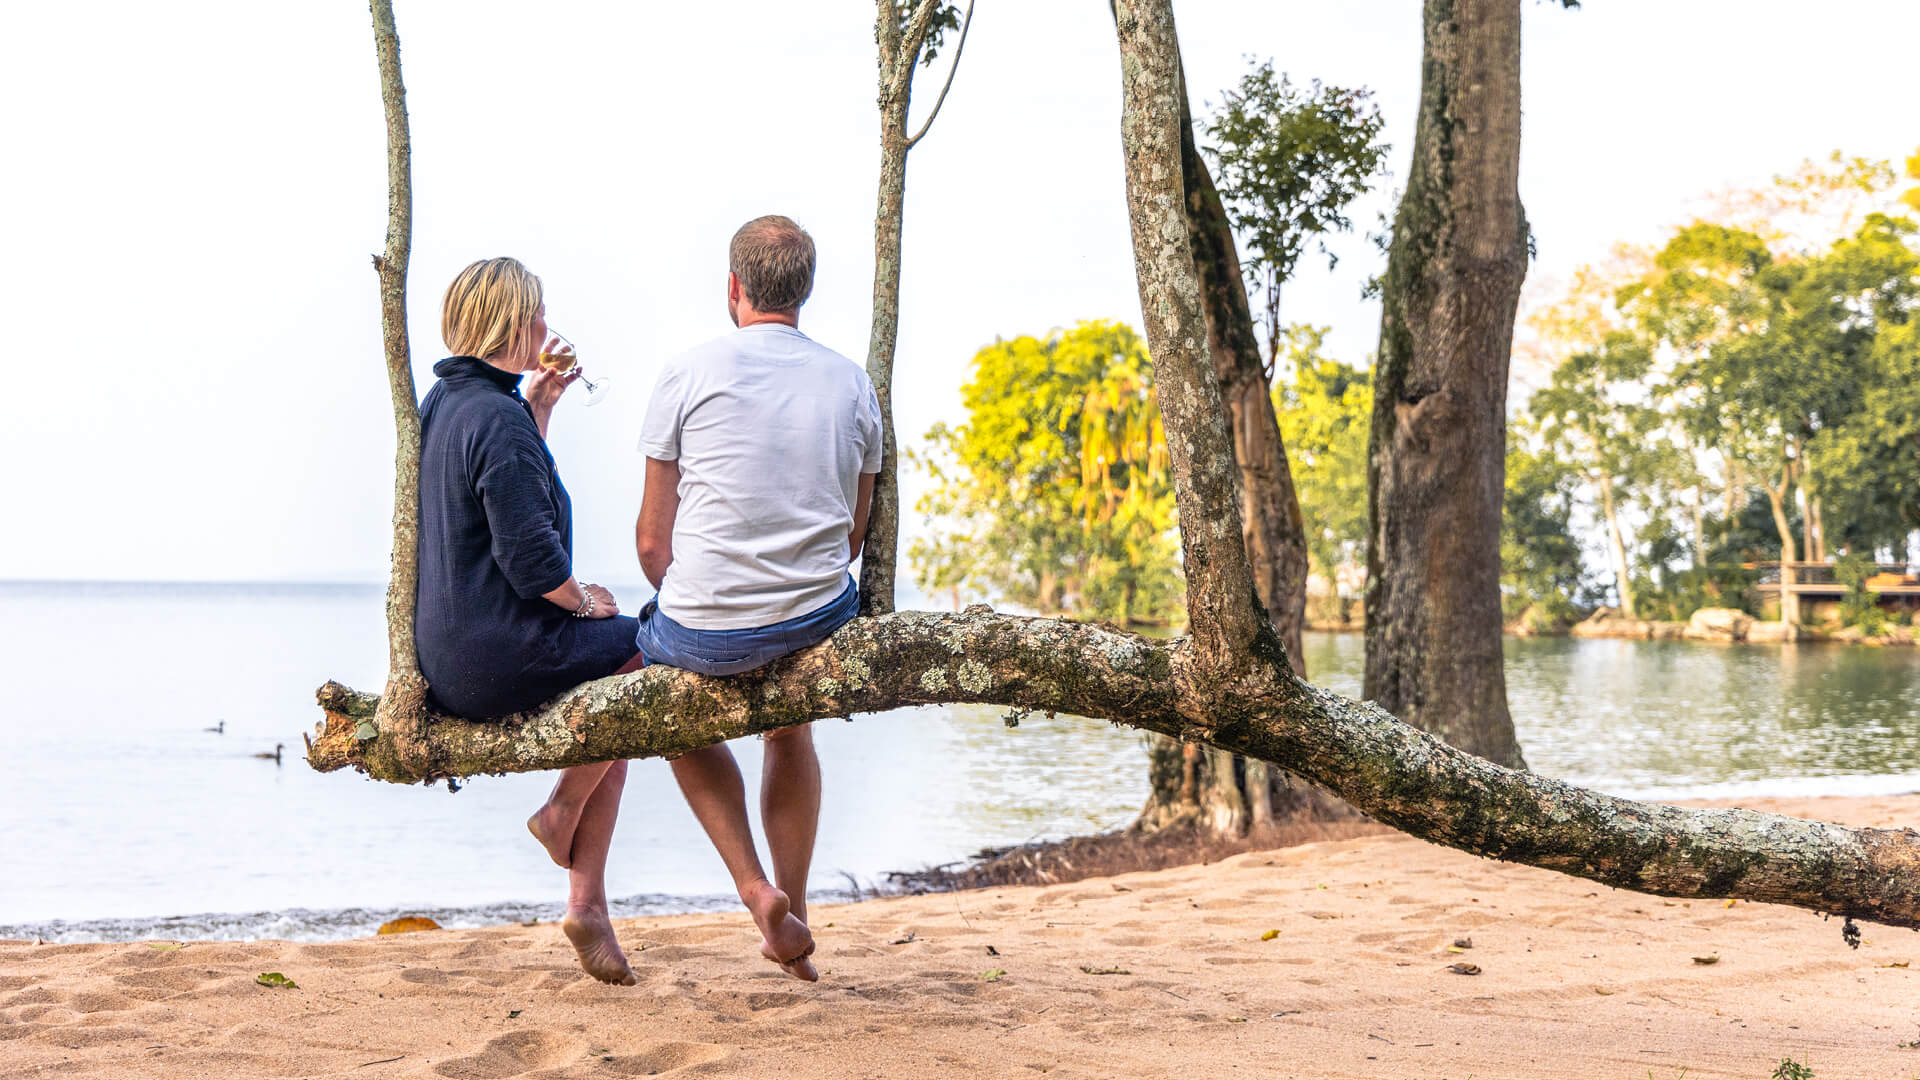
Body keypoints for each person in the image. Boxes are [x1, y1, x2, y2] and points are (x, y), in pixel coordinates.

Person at [539, 214, 877, 983]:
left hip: (708, 626)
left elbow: (653, 544)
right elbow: (852, 536)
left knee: (677, 721)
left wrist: (708, 607)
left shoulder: (688, 373)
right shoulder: (852, 382)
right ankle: (792, 906)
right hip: (817, 617)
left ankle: (754, 889)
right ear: (806, 291)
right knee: (790, 736)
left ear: (733, 288)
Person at [415, 256, 646, 986]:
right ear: (516, 324)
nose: (550, 326)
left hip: (451, 656)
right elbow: (532, 562)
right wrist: (586, 601)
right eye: (540, 315)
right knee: (647, 643)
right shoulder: (496, 419)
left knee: (614, 708)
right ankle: (561, 817)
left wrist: (541, 406)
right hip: (497, 656)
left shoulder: (448, 403)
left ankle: (588, 905)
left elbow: (511, 506)